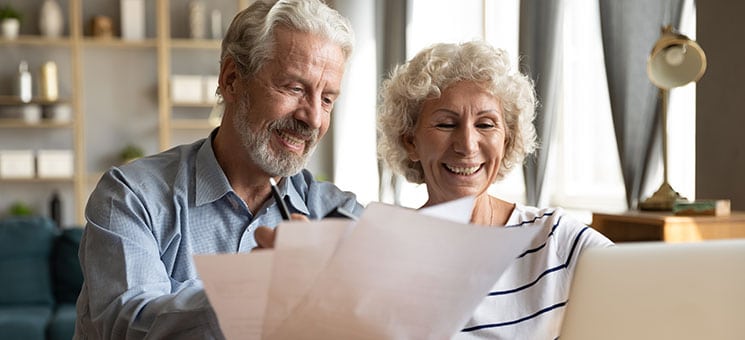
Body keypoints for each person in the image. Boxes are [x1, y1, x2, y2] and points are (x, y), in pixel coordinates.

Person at [74, 0, 362, 338]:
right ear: (231, 80)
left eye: (327, 99)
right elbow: (127, 326)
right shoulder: (131, 196)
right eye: (294, 88)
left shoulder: (339, 215)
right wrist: (253, 294)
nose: (313, 117)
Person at [377, 40, 614, 339]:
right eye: (446, 124)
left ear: (508, 140)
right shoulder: (380, 255)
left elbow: (648, 296)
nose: (466, 145)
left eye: (486, 125)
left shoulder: (556, 240)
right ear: (411, 141)